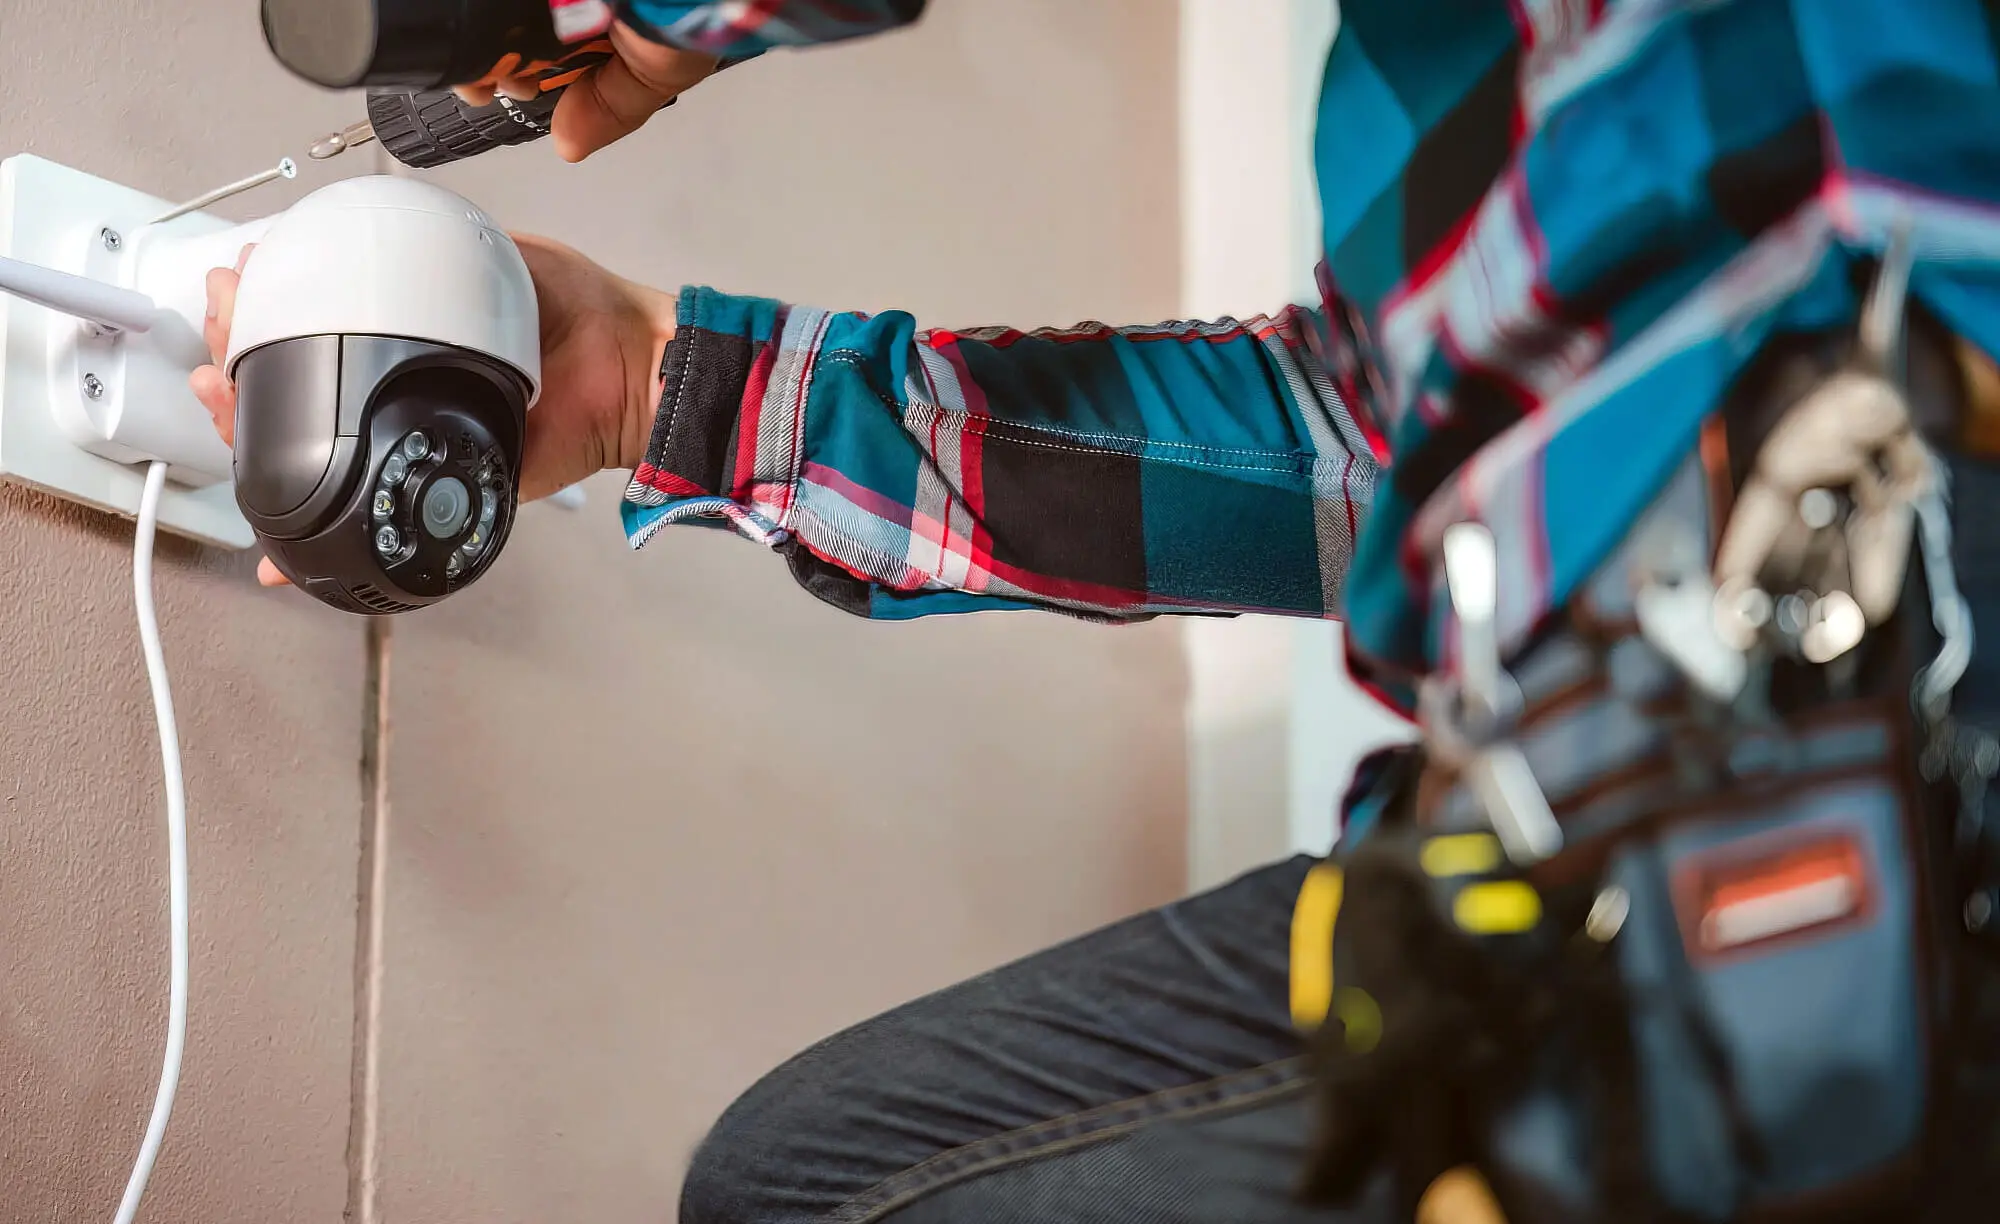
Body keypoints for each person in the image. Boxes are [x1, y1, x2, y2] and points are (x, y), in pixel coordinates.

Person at [192, 3, 2000, 1221]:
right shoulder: (1443, 107)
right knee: (816, 1185)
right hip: (1569, 819)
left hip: (1919, 664)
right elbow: (1359, 457)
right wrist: (663, 384)